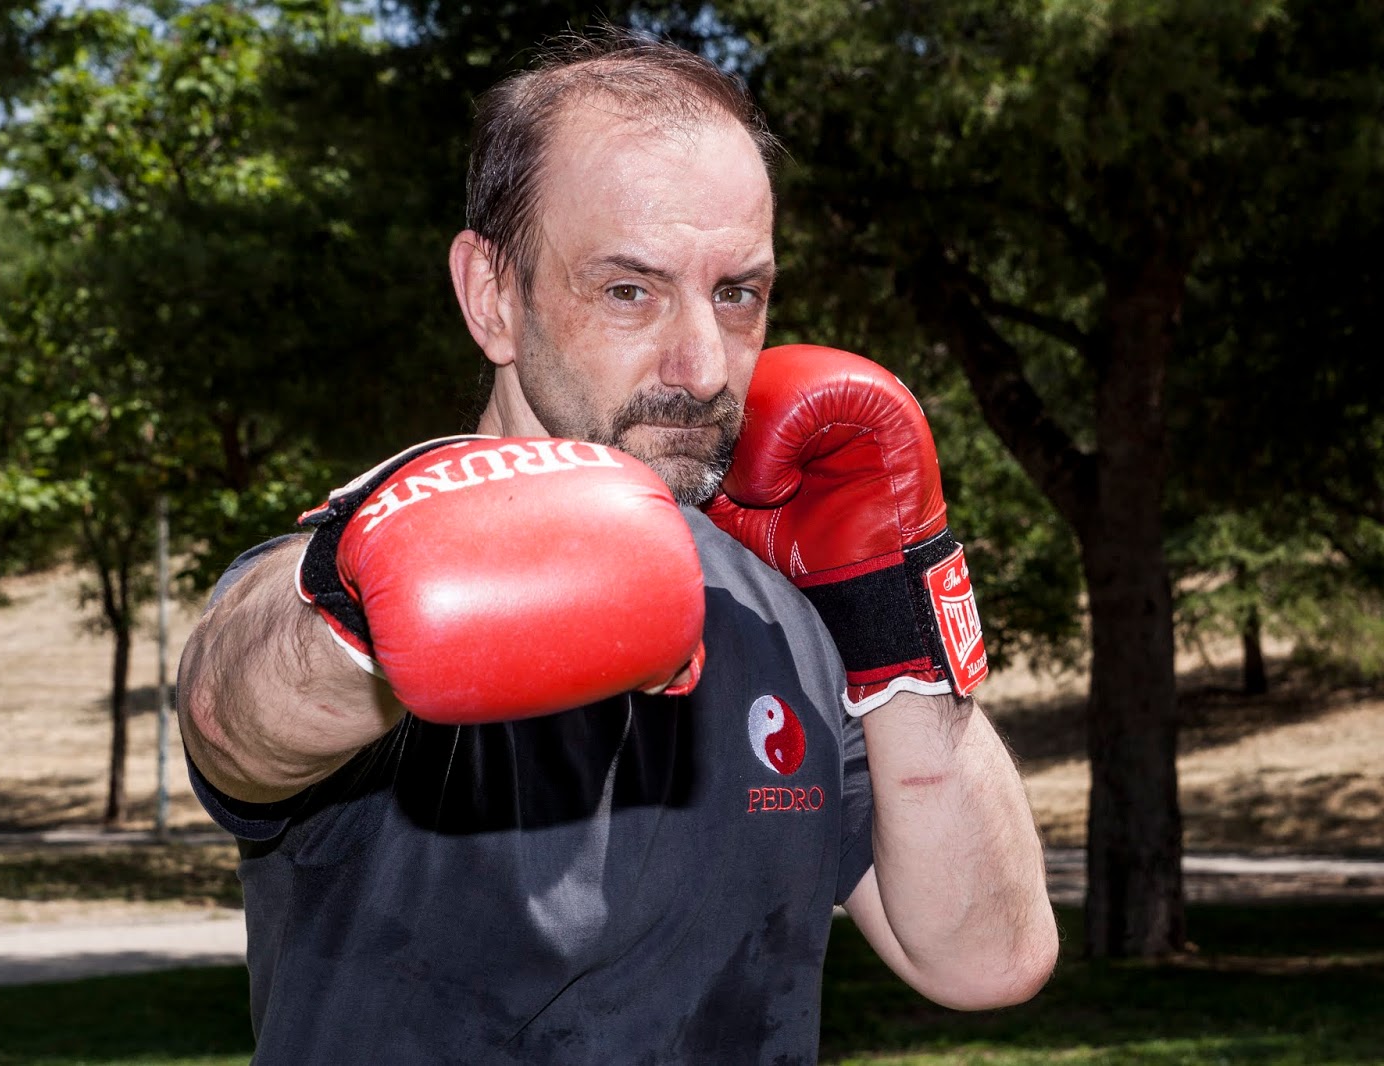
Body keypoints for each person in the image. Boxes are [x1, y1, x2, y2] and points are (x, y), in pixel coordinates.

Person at [178, 29, 1058, 1065]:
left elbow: (984, 957)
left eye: (737, 292)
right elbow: (233, 721)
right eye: (629, 289)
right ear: (492, 296)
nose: (699, 365)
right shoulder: (375, 573)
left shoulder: (774, 609)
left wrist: (890, 615)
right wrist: (362, 593)